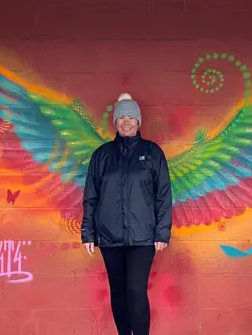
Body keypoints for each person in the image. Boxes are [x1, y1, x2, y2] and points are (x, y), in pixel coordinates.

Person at [81, 93, 172, 335]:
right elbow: (91, 196)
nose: (126, 121)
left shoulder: (153, 153)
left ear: (139, 121)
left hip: (143, 238)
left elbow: (163, 195)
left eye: (131, 116)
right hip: (109, 237)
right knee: (118, 291)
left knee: (135, 290)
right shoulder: (102, 155)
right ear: (115, 121)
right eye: (121, 116)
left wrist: (162, 232)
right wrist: (87, 233)